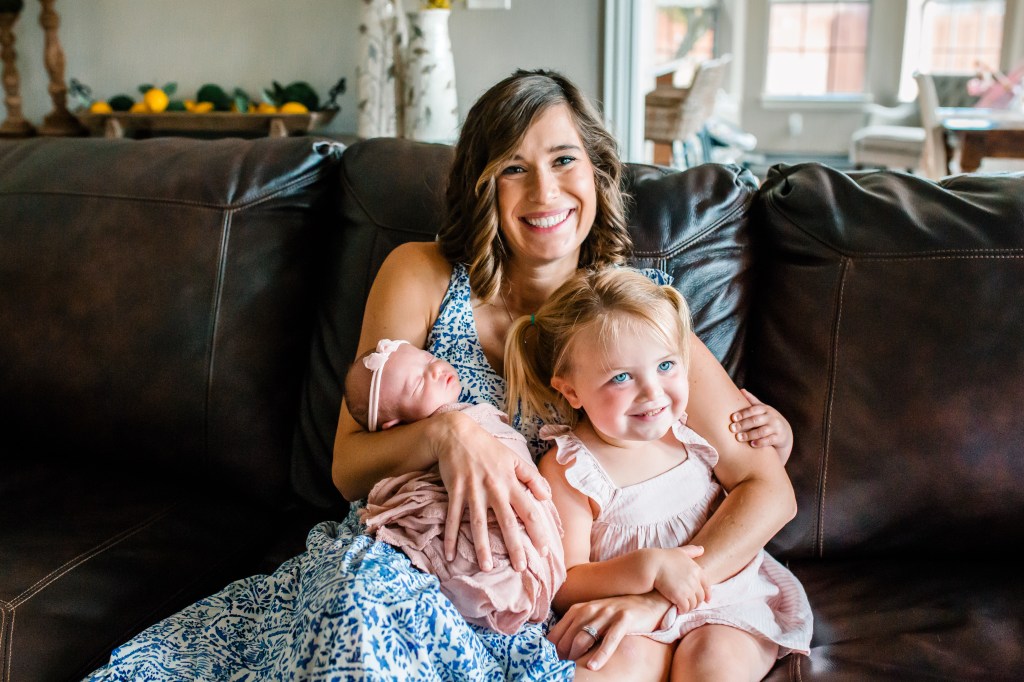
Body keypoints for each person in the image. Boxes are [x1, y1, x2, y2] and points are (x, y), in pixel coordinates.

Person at [85, 68, 794, 680]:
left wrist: (658, 596)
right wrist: (445, 434)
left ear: (598, 173)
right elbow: (346, 468)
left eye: (564, 160)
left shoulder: (634, 320)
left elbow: (764, 484)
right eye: (513, 168)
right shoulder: (421, 274)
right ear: (483, 185)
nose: (544, 190)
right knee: (355, 623)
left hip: (531, 606)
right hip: (403, 565)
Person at [504, 266, 813, 681]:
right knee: (606, 665)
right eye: (621, 377)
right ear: (571, 390)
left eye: (666, 365)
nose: (652, 392)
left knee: (713, 662)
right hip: (630, 612)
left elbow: (761, 482)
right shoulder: (569, 470)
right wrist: (646, 568)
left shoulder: (688, 429)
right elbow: (565, 584)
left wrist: (780, 441)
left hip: (725, 596)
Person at [344, 338, 566, 636]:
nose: (435, 369)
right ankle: (480, 588)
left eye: (427, 358)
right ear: (394, 425)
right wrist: (446, 433)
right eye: (417, 384)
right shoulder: (413, 447)